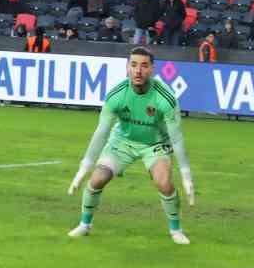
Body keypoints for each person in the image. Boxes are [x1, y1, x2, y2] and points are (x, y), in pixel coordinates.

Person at [66, 47, 195, 245]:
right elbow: (101, 133)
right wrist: (84, 168)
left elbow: (176, 138)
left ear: (152, 69)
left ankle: (175, 229)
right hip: (122, 141)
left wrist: (186, 176)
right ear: (127, 67)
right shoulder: (116, 95)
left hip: (155, 143)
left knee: (164, 183)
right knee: (98, 178)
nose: (138, 70)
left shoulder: (165, 97)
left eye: (144, 66)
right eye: (134, 65)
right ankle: (85, 224)